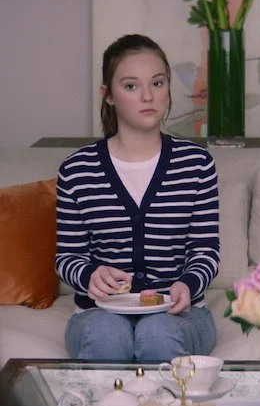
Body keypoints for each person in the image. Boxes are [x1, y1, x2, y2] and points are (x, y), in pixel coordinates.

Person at [55, 34, 219, 362]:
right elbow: (68, 257)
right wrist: (90, 275)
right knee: (106, 334)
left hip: (179, 315)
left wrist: (188, 283)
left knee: (157, 332)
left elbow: (206, 251)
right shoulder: (76, 170)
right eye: (131, 86)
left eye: (157, 83)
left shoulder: (197, 164)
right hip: (98, 314)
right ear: (108, 95)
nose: (147, 96)